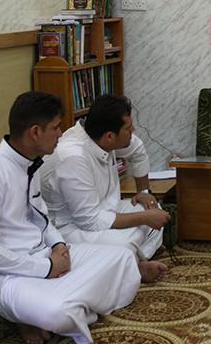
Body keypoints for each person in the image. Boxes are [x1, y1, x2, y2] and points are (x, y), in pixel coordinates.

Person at [0, 92, 159, 344]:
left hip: (40, 254)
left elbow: (42, 217)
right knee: (59, 312)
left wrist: (58, 245)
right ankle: (45, 307)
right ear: (35, 132)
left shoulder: (29, 163)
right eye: (56, 127)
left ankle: (53, 303)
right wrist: (47, 268)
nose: (62, 134)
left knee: (123, 257)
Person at [40, 94, 170, 262]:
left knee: (153, 207)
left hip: (107, 211)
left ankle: (134, 259)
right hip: (70, 227)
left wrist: (143, 192)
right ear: (110, 136)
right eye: (128, 128)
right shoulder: (73, 157)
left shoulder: (100, 137)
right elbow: (90, 220)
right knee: (124, 243)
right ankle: (134, 261)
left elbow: (137, 150)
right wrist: (144, 218)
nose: (133, 130)